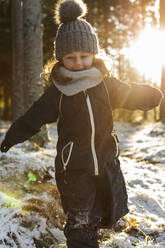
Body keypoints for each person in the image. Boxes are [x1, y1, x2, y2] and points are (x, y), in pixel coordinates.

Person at [0, 0, 163, 247]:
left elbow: (130, 93)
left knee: (103, 205)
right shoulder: (59, 92)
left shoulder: (106, 85)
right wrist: (12, 136)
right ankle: (80, 237)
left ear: (94, 54)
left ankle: (93, 227)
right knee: (81, 216)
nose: (78, 62)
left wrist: (152, 95)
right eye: (71, 57)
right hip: (75, 167)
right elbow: (33, 116)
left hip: (106, 160)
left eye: (84, 56)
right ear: (60, 58)